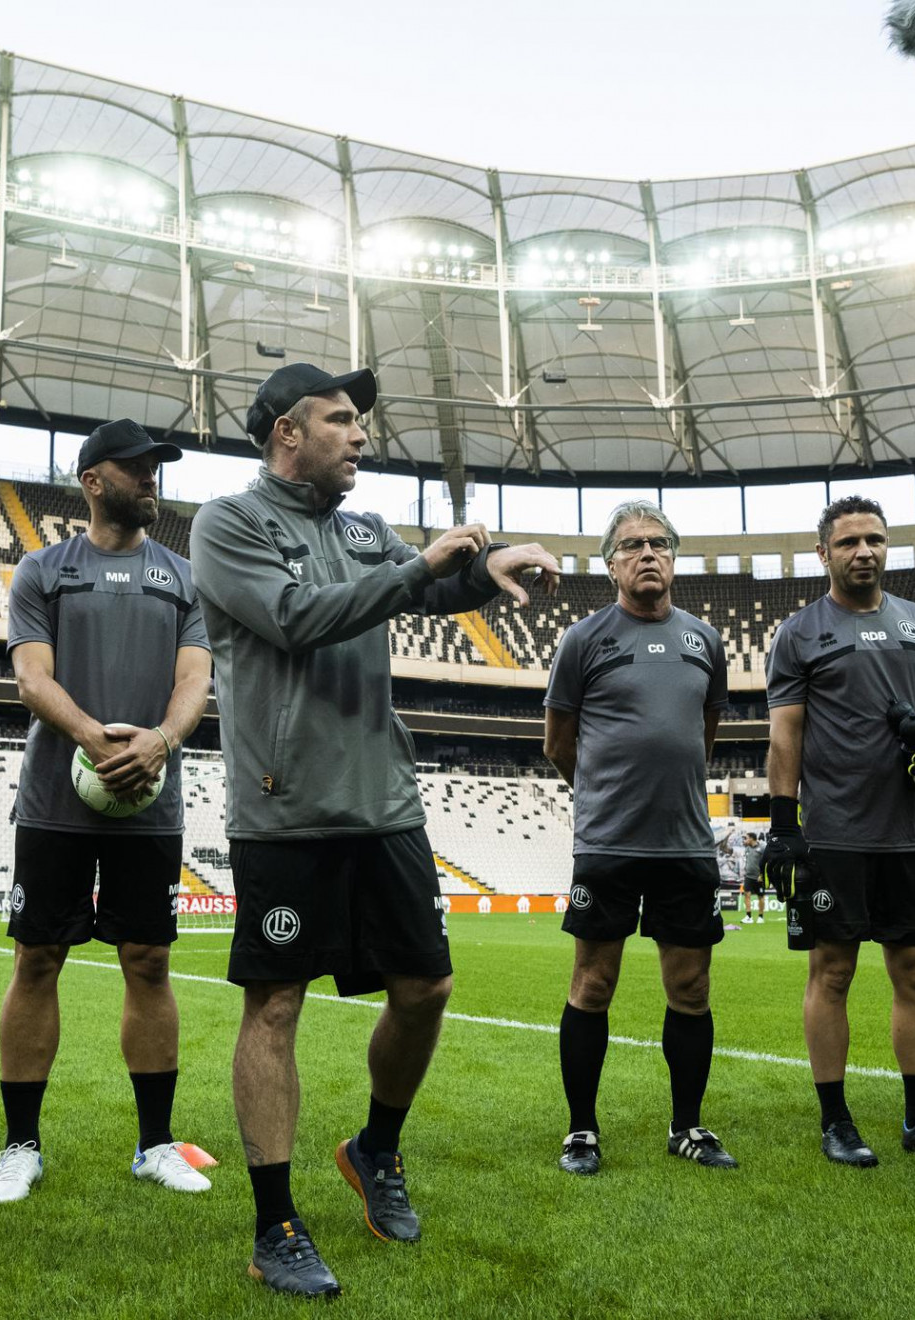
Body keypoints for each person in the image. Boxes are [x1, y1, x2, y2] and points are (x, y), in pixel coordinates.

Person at [190, 362, 559, 1297]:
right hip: (285, 810)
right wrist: (418, 568)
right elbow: (293, 617)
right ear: (287, 432)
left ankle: (374, 1149)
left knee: (427, 987)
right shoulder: (229, 524)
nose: (360, 436)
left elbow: (428, 594)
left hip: (383, 800)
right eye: (341, 420)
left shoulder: (360, 527)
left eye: (360, 422)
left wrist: (483, 571)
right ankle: (275, 1224)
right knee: (275, 1007)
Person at [0, 419, 213, 1203]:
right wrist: (95, 741)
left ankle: (155, 1143)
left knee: (148, 963)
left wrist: (160, 742)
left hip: (151, 803)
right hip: (56, 802)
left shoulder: (183, 577)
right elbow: (31, 679)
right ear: (92, 480)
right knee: (37, 960)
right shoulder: (43, 571)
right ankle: (20, 1146)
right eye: (138, 467)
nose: (152, 479)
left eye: (157, 469)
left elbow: (195, 681)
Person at [764, 494, 915, 1167]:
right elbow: (785, 733)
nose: (865, 552)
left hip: (912, 833)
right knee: (832, 972)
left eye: (876, 540)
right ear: (823, 552)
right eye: (850, 541)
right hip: (834, 834)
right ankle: (836, 1121)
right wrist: (783, 826)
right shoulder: (798, 632)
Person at [543, 500, 736, 1176]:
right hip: (610, 842)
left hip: (685, 843)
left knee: (691, 987)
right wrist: (605, 795)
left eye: (659, 543)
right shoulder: (583, 639)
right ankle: (582, 1131)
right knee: (592, 983)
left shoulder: (705, 640)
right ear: (611, 564)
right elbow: (558, 743)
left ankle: (687, 1126)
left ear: (673, 557)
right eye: (632, 545)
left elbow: (704, 733)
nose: (647, 553)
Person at [742, 833, 769, 924]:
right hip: (748, 876)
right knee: (747, 894)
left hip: (759, 877)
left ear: (752, 839)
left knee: (760, 896)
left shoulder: (762, 847)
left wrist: (763, 875)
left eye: (746, 838)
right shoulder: (747, 848)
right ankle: (748, 916)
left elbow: (767, 861)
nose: (745, 840)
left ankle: (760, 917)